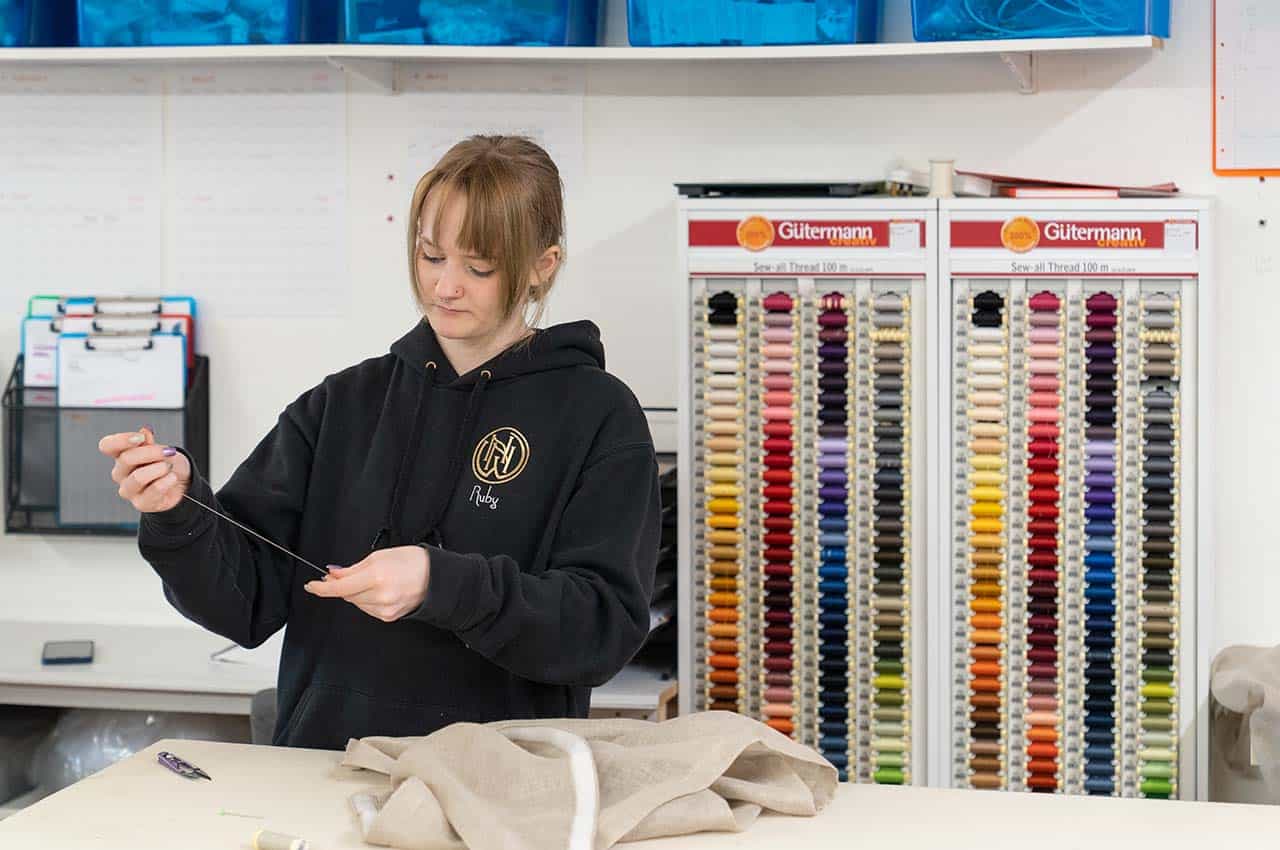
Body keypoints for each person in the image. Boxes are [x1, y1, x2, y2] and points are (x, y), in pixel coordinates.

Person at [97, 136, 661, 750]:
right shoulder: (342, 404)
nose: (445, 287)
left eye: (478, 267)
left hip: (501, 791)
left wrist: (439, 584)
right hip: (325, 775)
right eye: (429, 256)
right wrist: (179, 510)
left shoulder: (599, 415)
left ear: (542, 265)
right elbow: (245, 602)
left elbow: (601, 628)